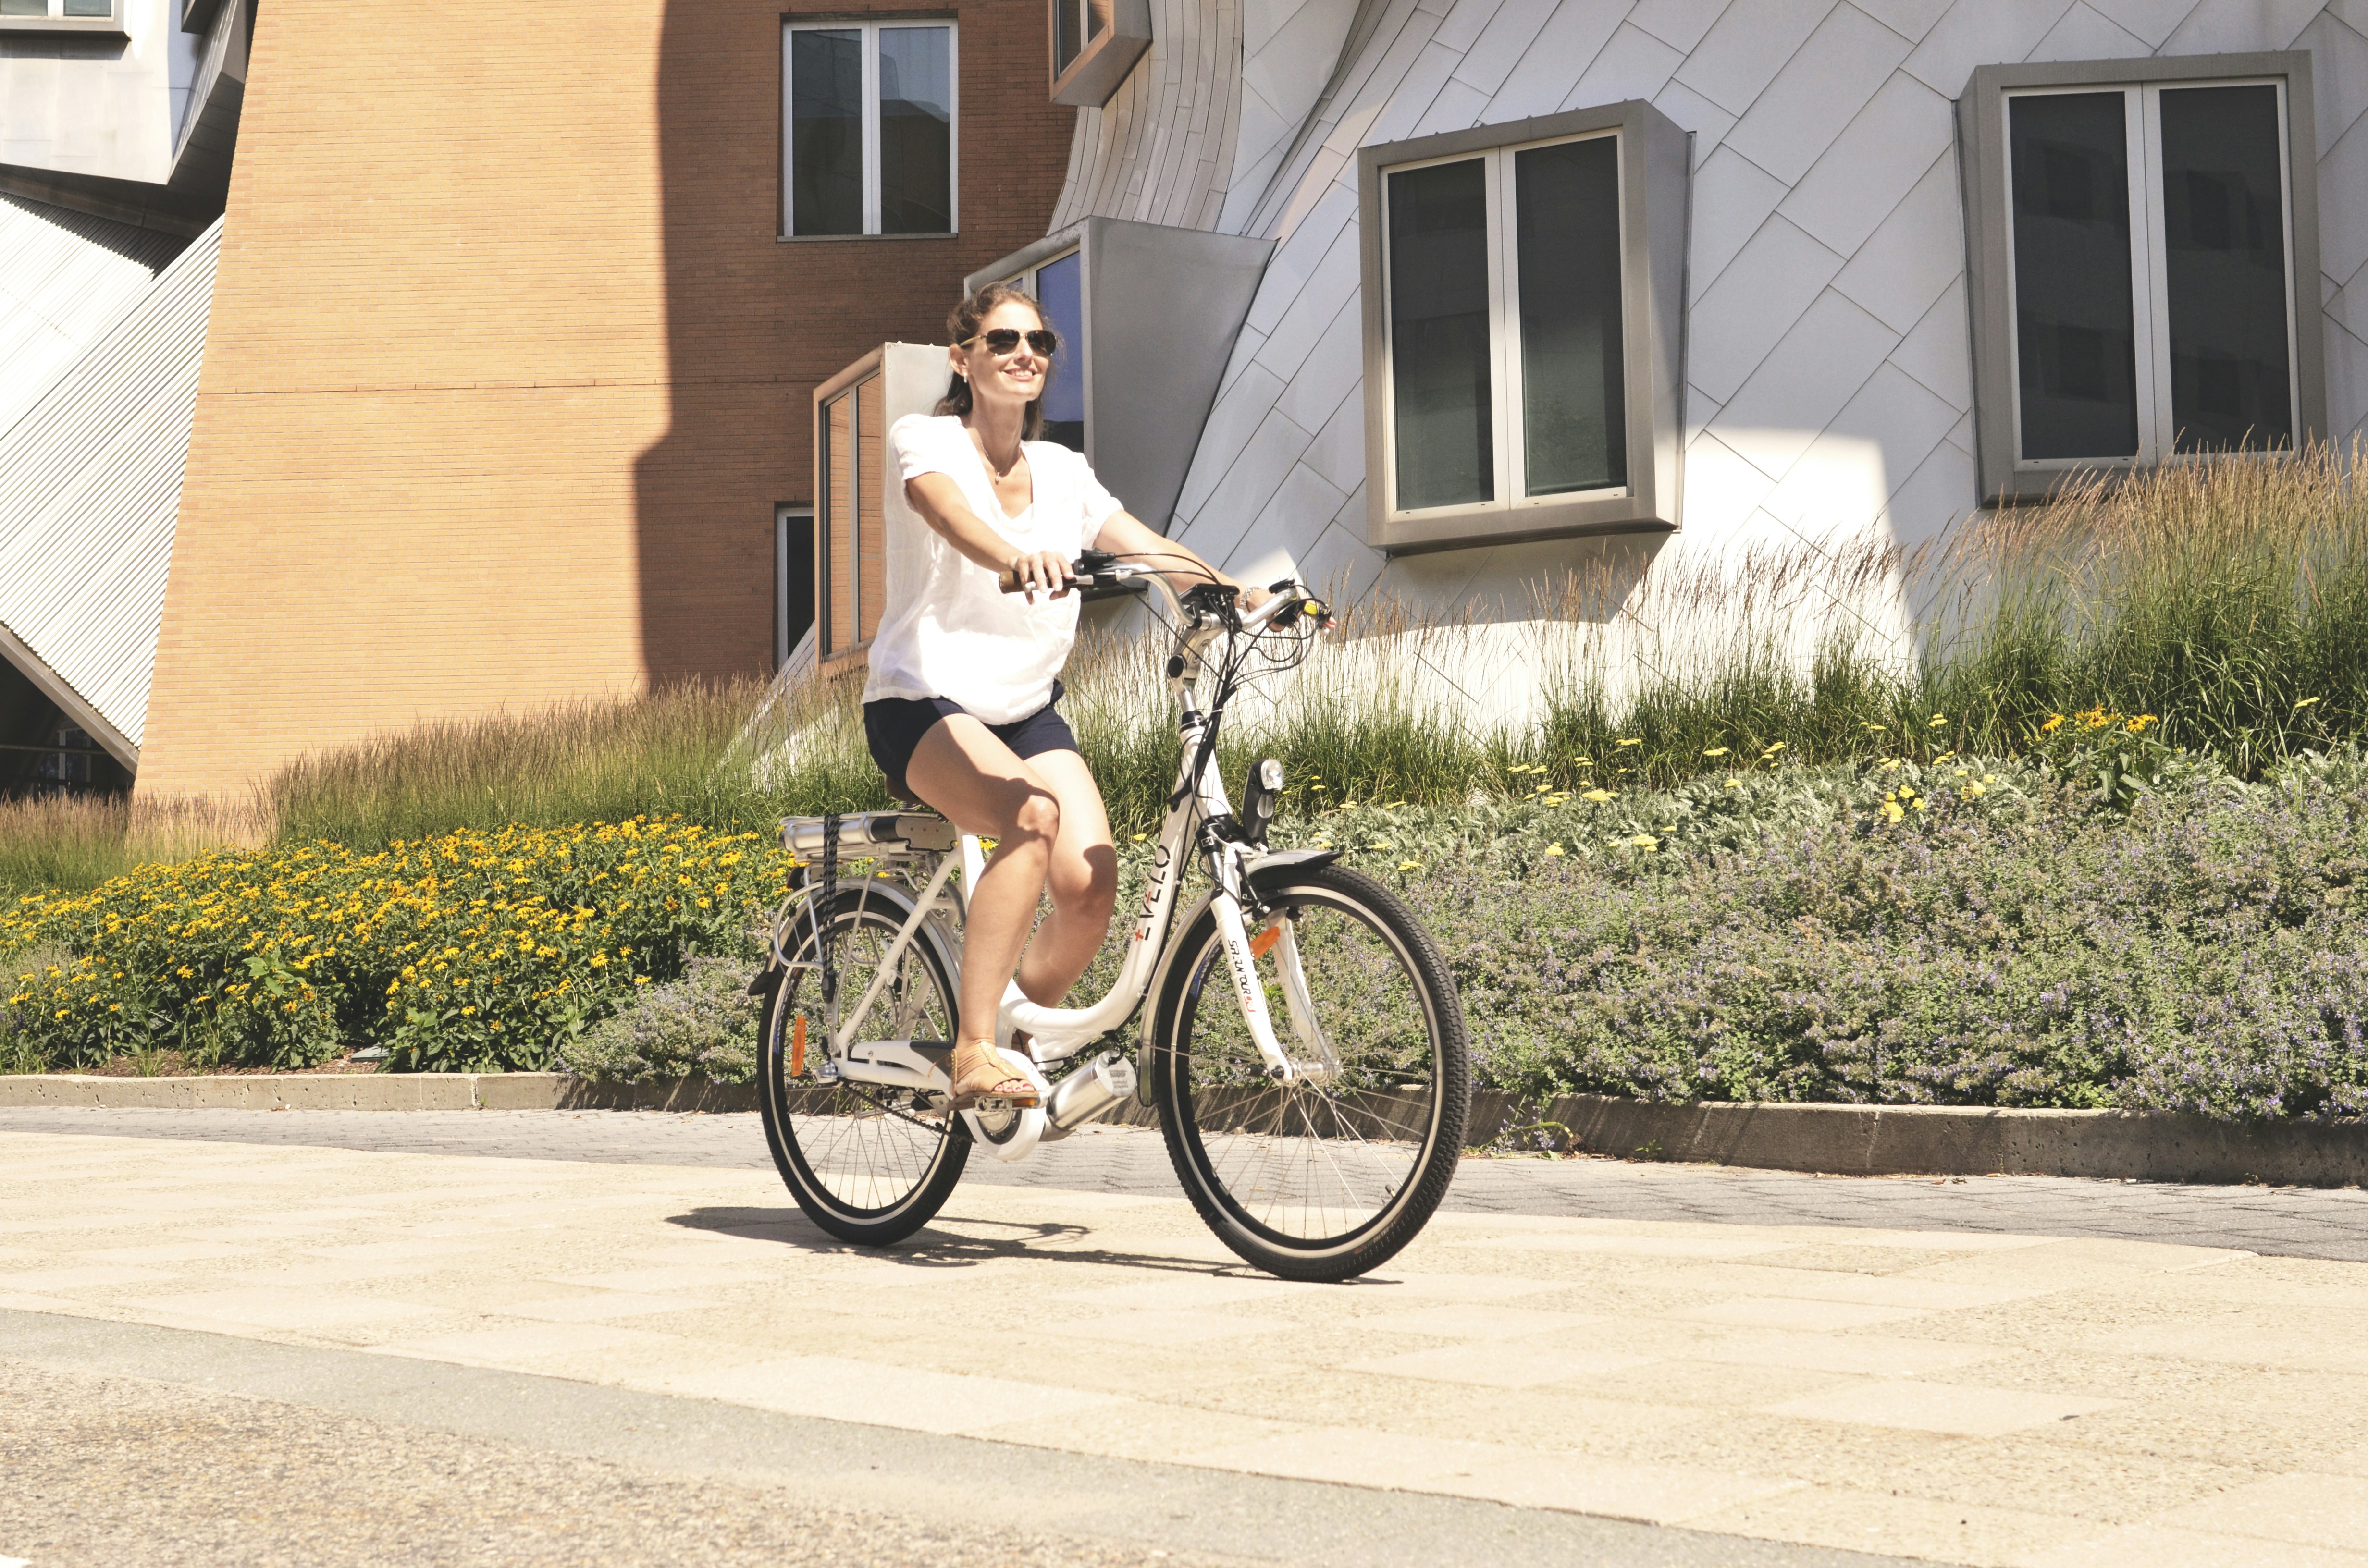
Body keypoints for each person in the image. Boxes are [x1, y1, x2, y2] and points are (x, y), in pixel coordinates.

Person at [863, 284, 1258, 1109]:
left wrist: (1236, 591)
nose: (1024, 354)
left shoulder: (1062, 470)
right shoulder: (927, 439)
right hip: (923, 702)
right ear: (963, 357)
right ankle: (974, 1047)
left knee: (1090, 888)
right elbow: (941, 510)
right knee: (1032, 817)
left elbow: (1143, 547)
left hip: (1025, 709)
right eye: (1003, 339)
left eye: (1039, 341)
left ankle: (1015, 1033)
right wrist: (1012, 555)